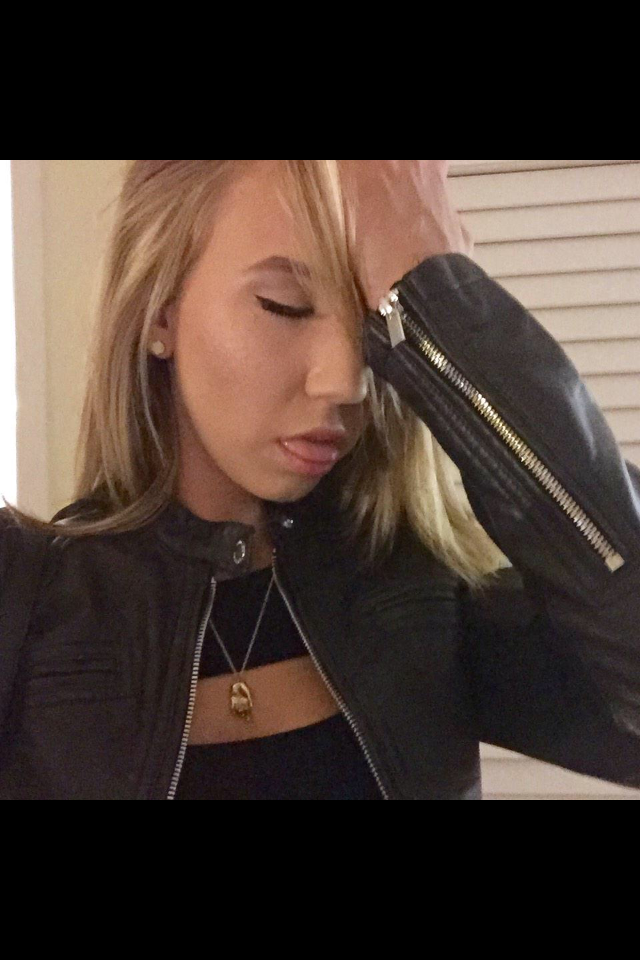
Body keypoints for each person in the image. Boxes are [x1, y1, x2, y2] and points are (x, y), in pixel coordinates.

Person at [0, 159, 639, 800]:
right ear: (159, 314)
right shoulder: (30, 604)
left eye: (371, 322)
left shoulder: (420, 592)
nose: (347, 381)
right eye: (286, 305)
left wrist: (444, 307)